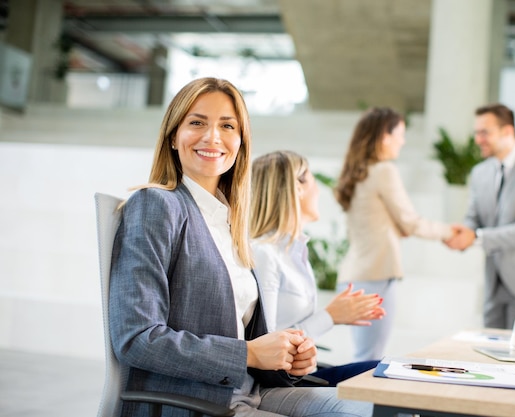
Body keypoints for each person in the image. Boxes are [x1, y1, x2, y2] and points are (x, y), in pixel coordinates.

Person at [108, 77, 372, 417]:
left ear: (241, 141)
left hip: (254, 393)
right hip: (199, 404)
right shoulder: (157, 205)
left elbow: (248, 341)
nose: (212, 137)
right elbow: (137, 338)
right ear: (174, 136)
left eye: (227, 126)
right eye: (197, 122)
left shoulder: (230, 223)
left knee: (374, 409)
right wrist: (248, 353)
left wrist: (289, 358)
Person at [250, 150, 385, 386]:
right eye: (313, 181)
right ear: (297, 188)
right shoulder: (264, 254)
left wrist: (333, 316)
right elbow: (268, 343)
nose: (320, 191)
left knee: (389, 370)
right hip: (278, 384)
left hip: (300, 375)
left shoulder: (295, 252)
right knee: (383, 376)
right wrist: (330, 316)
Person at [334, 106, 454, 361]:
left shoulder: (358, 172)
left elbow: (386, 222)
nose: (403, 140)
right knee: (368, 360)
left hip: (356, 276)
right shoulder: (384, 170)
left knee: (363, 355)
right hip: (375, 277)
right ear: (384, 137)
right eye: (400, 134)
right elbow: (411, 222)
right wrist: (451, 231)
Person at [445, 103, 515, 330]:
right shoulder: (480, 172)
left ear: (507, 132)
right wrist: (463, 233)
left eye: (484, 133)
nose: (478, 139)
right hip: (493, 281)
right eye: (476, 133)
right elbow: (474, 217)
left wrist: (476, 237)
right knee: (488, 355)